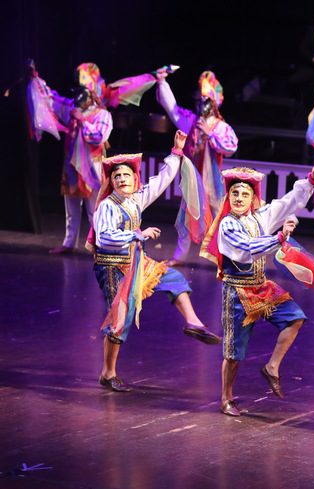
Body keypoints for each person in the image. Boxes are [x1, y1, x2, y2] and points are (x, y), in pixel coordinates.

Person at [93, 130, 221, 393]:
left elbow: (160, 182)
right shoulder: (107, 206)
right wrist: (137, 234)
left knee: (174, 278)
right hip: (113, 267)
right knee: (120, 319)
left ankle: (193, 322)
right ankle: (108, 373)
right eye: (117, 176)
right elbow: (104, 238)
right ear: (111, 182)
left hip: (136, 262)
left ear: (134, 179)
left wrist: (176, 152)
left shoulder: (135, 200)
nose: (121, 179)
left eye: (126, 175)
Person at [199, 165, 314, 416]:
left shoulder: (260, 216)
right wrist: (279, 238)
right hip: (237, 292)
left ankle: (272, 367)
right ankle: (226, 398)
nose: (239, 198)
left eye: (245, 194)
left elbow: (287, 203)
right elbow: (246, 249)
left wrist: (309, 182)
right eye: (235, 193)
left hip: (260, 286)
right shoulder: (227, 224)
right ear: (228, 196)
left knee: (295, 317)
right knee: (234, 353)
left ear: (252, 198)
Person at [155, 68, 238, 266]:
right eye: (200, 100)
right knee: (186, 218)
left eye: (206, 100)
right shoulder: (191, 120)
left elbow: (231, 147)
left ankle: (226, 258)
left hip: (213, 182)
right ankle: (180, 257)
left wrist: (211, 134)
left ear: (214, 103)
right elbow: (172, 108)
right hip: (193, 180)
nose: (202, 103)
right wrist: (162, 83)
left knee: (220, 220)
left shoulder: (221, 127)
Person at [49, 63, 113, 255]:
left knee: (94, 209)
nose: (80, 97)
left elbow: (98, 137)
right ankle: (70, 243)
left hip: (92, 167)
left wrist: (83, 121)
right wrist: (35, 81)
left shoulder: (102, 114)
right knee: (71, 207)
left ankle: (100, 246)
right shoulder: (72, 109)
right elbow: (52, 100)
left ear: (93, 95)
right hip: (72, 165)